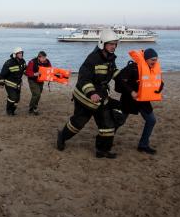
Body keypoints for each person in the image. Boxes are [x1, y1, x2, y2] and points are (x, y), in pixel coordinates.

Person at [57, 30, 121, 159]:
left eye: (115, 44)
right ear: (103, 43)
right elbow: (83, 78)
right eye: (110, 44)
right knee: (77, 124)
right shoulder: (92, 58)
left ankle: (102, 150)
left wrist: (127, 76)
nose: (113, 46)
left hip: (101, 97)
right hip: (84, 98)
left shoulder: (110, 58)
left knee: (107, 126)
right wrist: (91, 93)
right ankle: (62, 136)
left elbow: (113, 72)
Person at [115, 48, 164, 155]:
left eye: (156, 60)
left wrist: (159, 88)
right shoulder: (132, 67)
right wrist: (131, 91)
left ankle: (143, 145)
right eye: (152, 59)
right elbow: (119, 79)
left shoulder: (153, 68)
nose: (154, 62)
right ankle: (106, 138)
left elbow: (159, 81)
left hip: (143, 100)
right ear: (146, 59)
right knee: (119, 121)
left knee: (151, 120)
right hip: (129, 99)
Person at [0, 47, 27, 116]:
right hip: (9, 83)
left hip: (18, 84)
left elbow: (25, 70)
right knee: (12, 97)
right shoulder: (9, 63)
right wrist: (1, 83)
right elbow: (2, 74)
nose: (21, 54)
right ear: (15, 54)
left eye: (21, 53)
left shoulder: (23, 61)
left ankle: (13, 111)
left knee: (17, 99)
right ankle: (8, 111)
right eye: (19, 53)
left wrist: (32, 74)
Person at [25, 51, 52, 115]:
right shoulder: (32, 62)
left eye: (45, 57)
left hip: (41, 80)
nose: (44, 59)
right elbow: (27, 73)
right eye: (43, 58)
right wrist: (35, 74)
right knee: (37, 94)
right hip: (32, 80)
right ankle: (32, 108)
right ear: (39, 57)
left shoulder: (47, 61)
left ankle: (34, 106)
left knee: (38, 94)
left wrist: (51, 77)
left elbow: (50, 70)